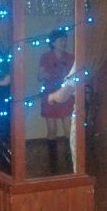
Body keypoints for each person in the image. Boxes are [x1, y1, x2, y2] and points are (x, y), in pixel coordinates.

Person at [38, 29, 75, 173]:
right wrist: (45, 74)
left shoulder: (71, 57)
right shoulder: (46, 57)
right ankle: (52, 162)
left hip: (66, 95)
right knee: (52, 130)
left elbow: (75, 77)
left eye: (65, 40)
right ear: (53, 42)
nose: (64, 42)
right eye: (61, 40)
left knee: (68, 130)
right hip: (50, 94)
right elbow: (39, 77)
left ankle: (69, 160)